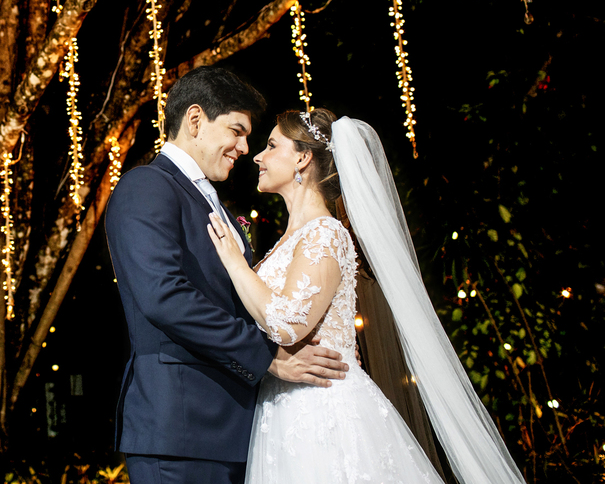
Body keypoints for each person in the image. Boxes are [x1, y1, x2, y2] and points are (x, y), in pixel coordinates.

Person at [205, 108, 528, 484]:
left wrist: (234, 263)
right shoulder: (290, 240)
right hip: (284, 410)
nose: (258, 156)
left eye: (272, 145)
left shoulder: (325, 232)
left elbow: (289, 324)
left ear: (303, 158)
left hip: (323, 412)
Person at [105, 67, 349, 484]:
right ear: (195, 120)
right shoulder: (147, 186)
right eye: (237, 131)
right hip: (182, 429)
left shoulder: (216, 204)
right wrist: (268, 357)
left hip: (240, 430)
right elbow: (164, 296)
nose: (245, 148)